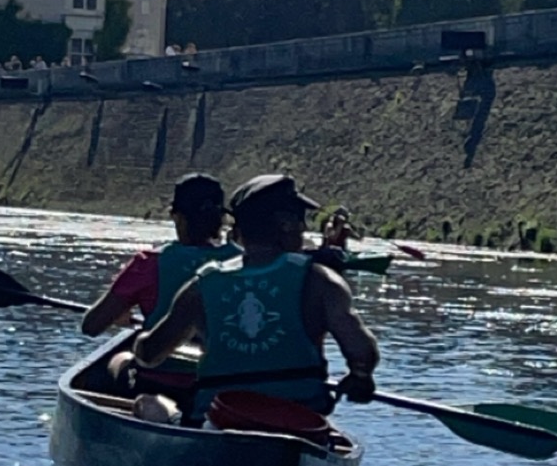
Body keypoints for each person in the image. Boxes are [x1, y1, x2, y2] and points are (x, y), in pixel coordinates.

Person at [132, 172, 379, 422]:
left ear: (240, 232)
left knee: (147, 403)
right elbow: (362, 352)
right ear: (285, 224)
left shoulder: (202, 285)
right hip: (300, 420)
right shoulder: (321, 281)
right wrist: (360, 377)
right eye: (301, 219)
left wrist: (139, 341)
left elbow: (149, 355)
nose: (304, 228)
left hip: (220, 421)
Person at [81, 173, 235, 339]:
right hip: (224, 352)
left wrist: (121, 314)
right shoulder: (241, 260)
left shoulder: (148, 263)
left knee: (129, 353)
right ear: (220, 219)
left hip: (163, 352)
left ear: (176, 216)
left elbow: (91, 326)